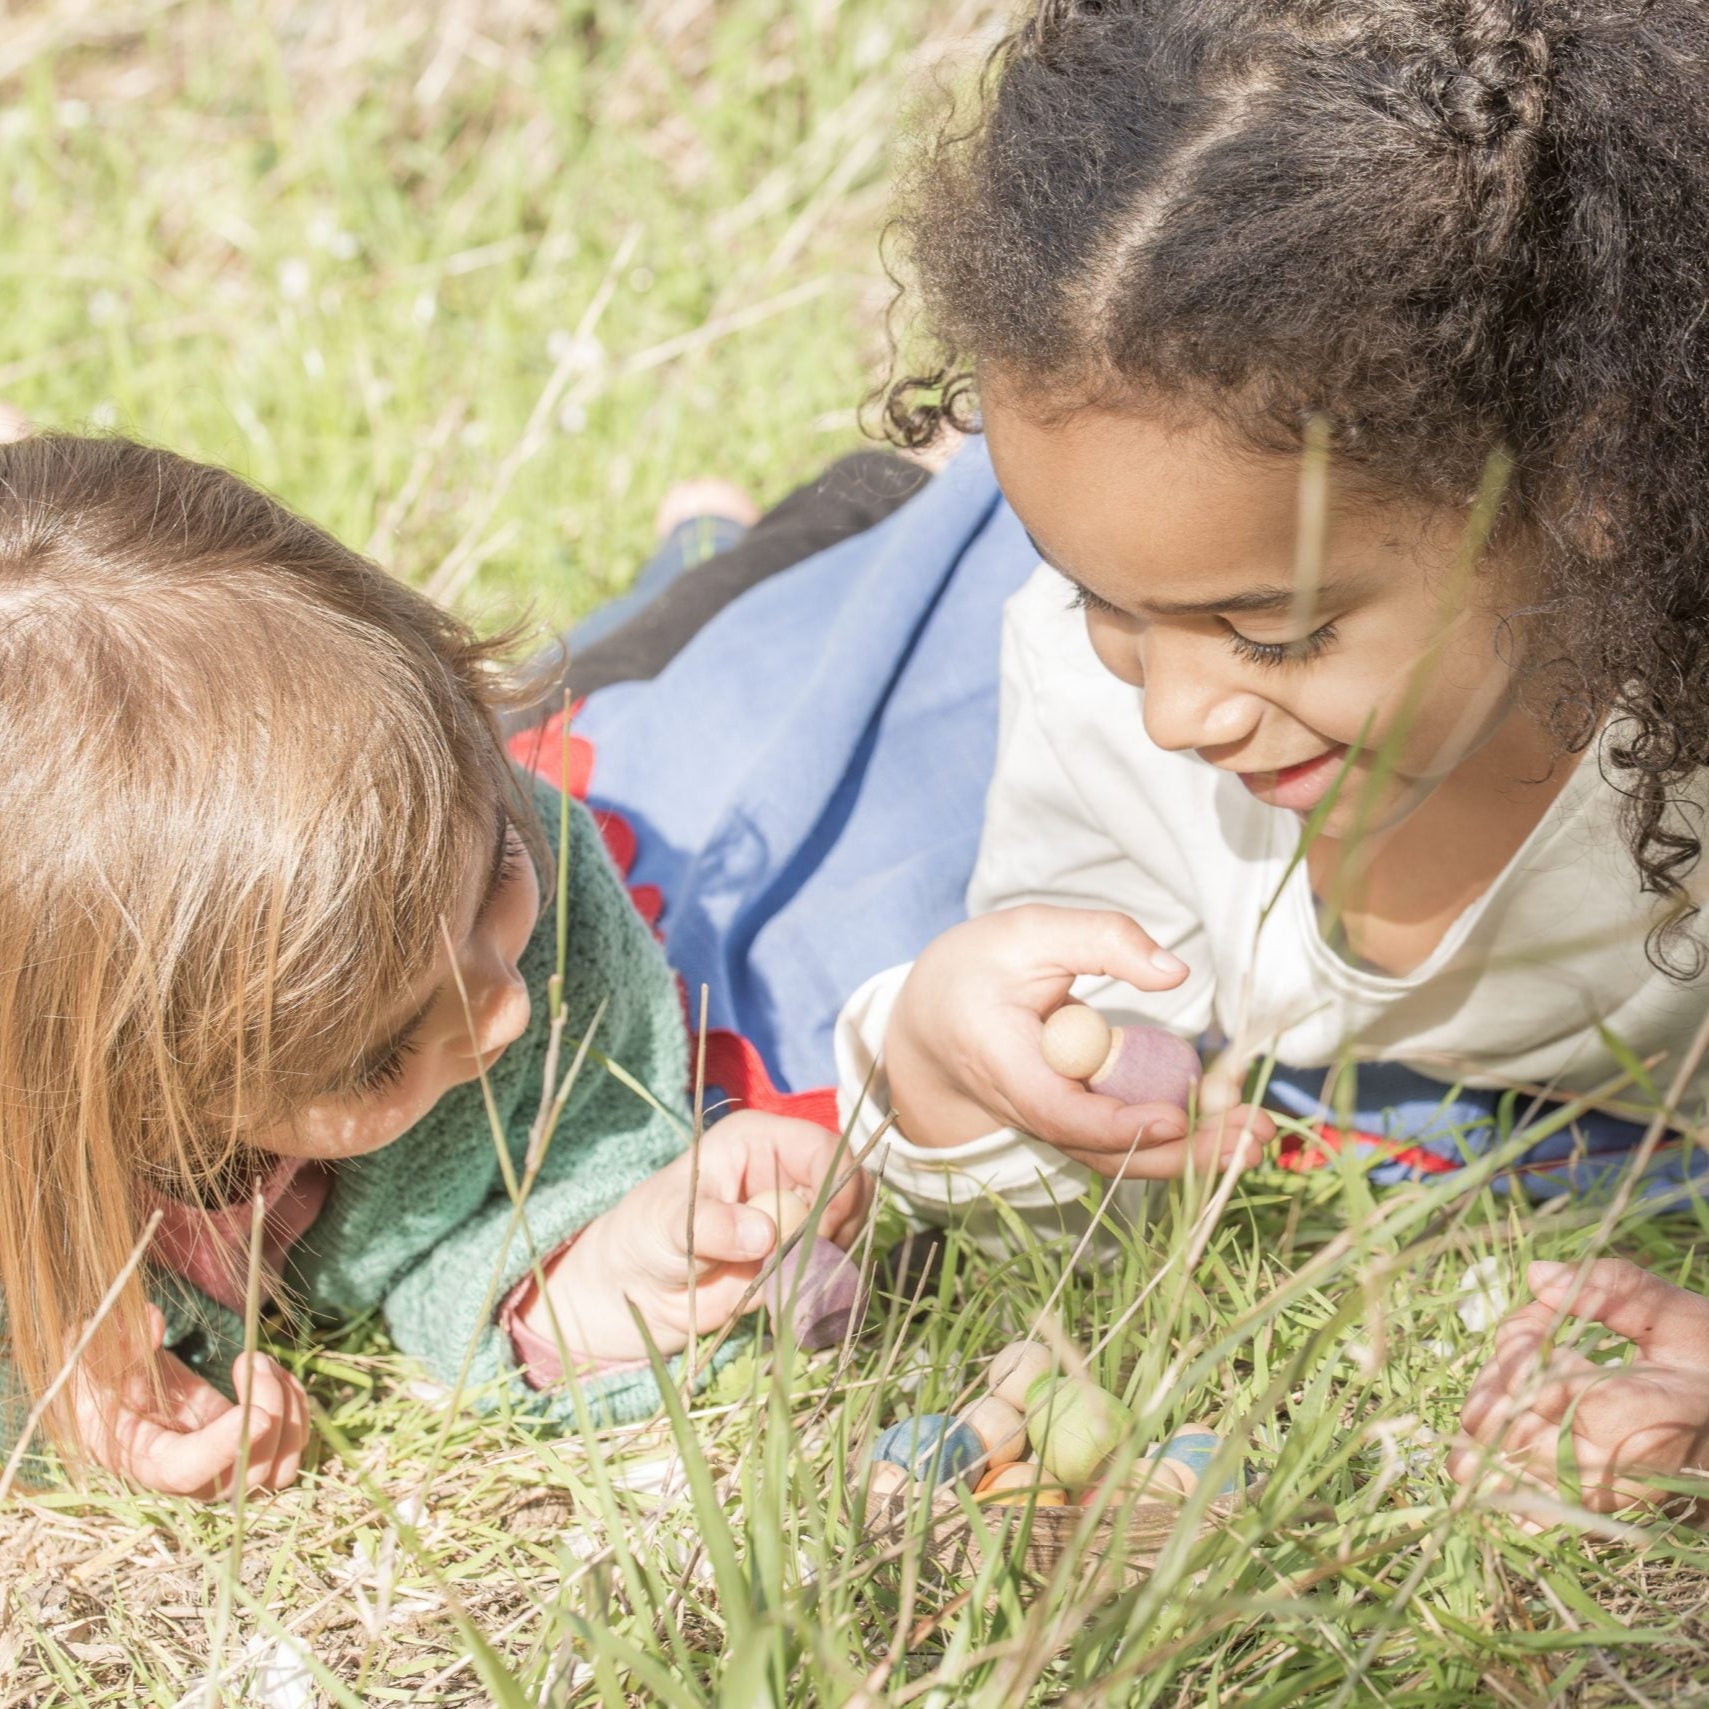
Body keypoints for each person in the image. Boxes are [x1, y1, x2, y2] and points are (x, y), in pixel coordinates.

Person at [822, 0, 1709, 1511]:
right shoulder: (1097, 689)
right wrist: (947, 1076)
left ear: (1589, 489)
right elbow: (1074, 1204)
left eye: (1271, 628)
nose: (1174, 713)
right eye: (1104, 598)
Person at [0, 433, 867, 1498]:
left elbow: (559, 1167)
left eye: (500, 862)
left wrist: (603, 1256)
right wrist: (70, 1409)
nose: (501, 1011)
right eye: (375, 1058)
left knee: (697, 636)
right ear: (114, 1091)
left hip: (609, 708)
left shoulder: (483, 861)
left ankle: (724, 539)